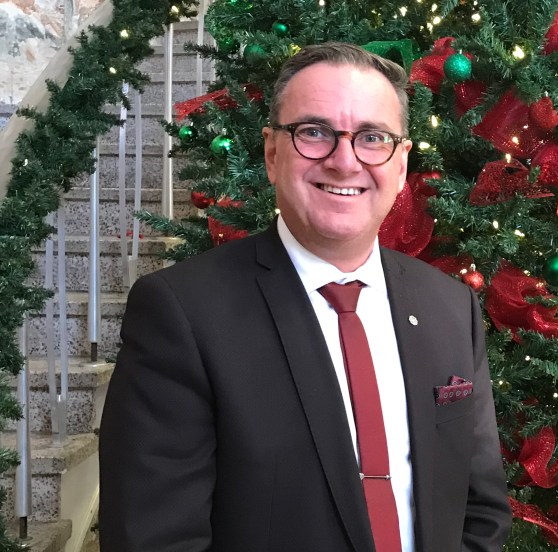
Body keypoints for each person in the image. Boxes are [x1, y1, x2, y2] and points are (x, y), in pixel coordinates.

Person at [99, 43, 511, 552]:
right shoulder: (182, 313)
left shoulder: (450, 307)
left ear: (401, 164)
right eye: (314, 132)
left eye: (372, 137)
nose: (345, 161)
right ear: (273, 154)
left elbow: (480, 510)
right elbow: (154, 539)